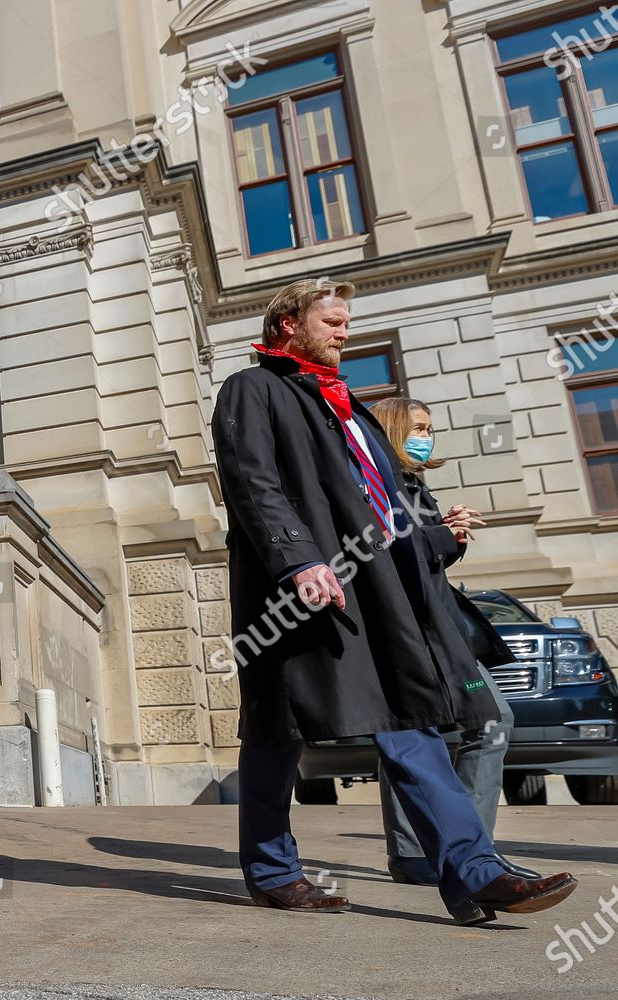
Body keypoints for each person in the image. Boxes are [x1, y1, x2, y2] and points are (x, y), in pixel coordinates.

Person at [212, 277, 578, 925]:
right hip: (297, 596)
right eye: (331, 320)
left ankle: (474, 872)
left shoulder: (346, 405)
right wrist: (297, 558)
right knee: (278, 731)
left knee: (409, 724)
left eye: (347, 321)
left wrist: (434, 549)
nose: (345, 331)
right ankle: (272, 871)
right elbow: (252, 480)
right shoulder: (254, 388)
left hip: (377, 594)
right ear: (287, 325)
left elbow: (387, 505)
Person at [368, 397, 542, 894]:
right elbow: (388, 554)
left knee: (486, 722)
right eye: (418, 427)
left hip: (438, 625)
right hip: (409, 629)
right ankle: (431, 853)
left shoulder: (414, 484)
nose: (427, 437)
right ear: (394, 429)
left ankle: (468, 854)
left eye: (430, 429)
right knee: (417, 730)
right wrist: (444, 535)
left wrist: (453, 536)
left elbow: (425, 558)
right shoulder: (376, 484)